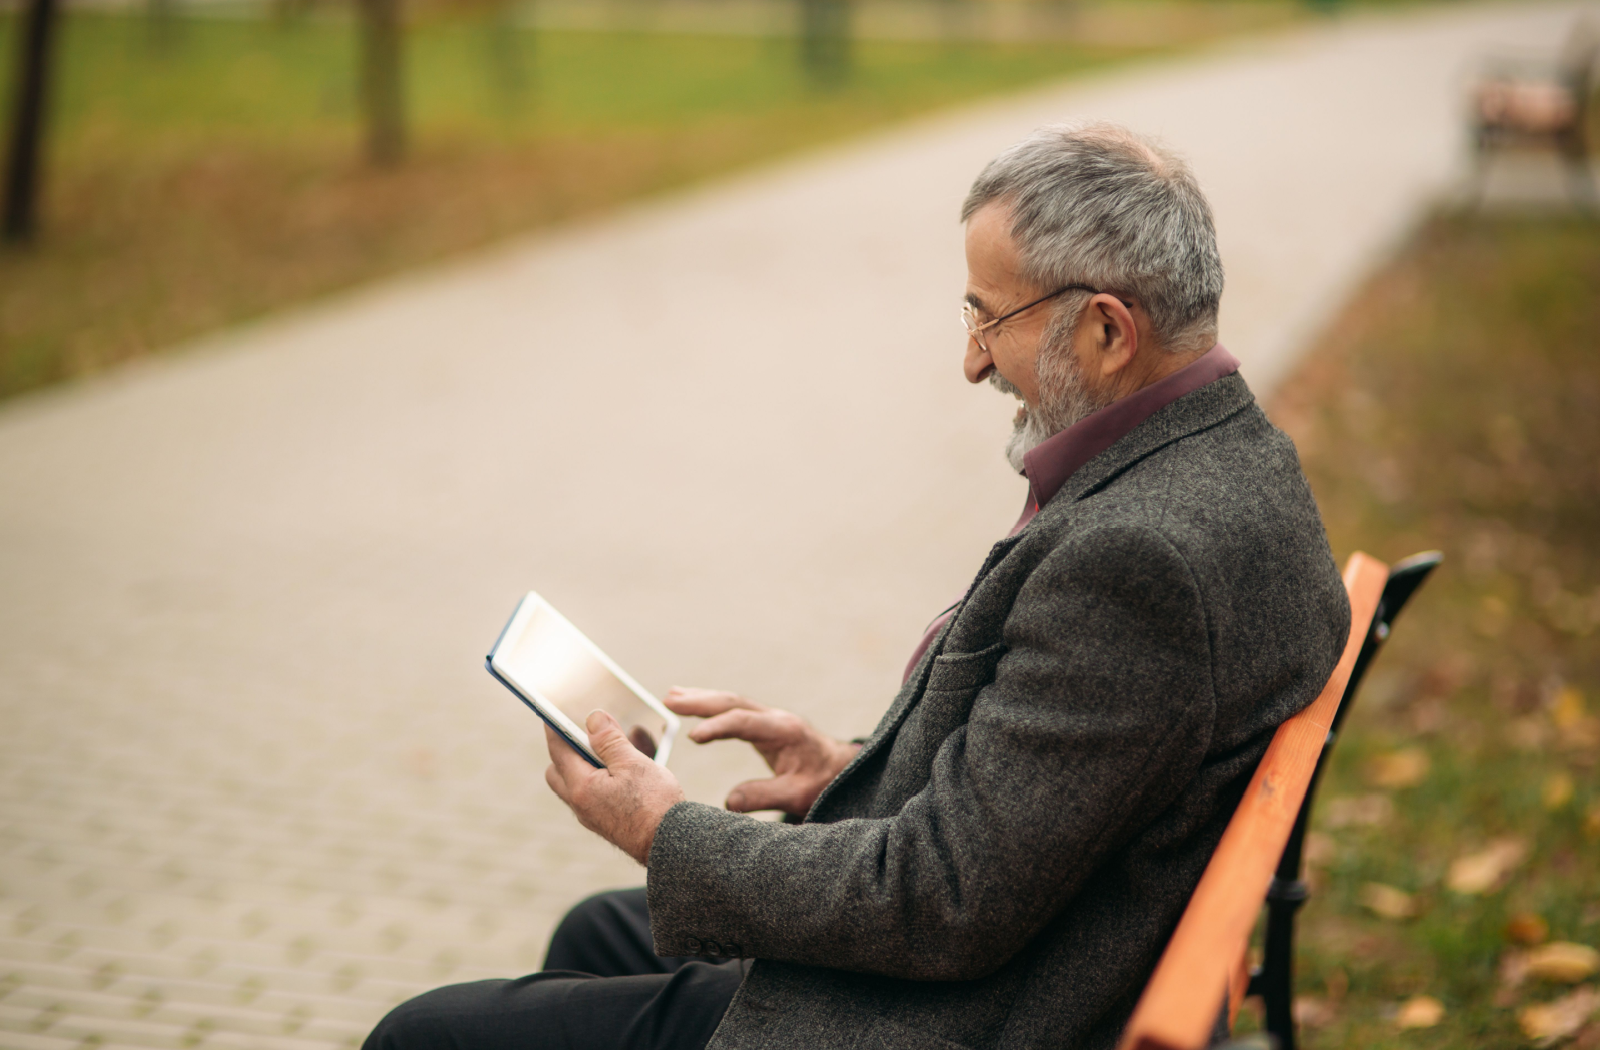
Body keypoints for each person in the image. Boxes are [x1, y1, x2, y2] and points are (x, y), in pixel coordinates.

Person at [365, 121, 1350, 1050]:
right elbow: (1057, 791)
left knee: (426, 1035)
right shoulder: (1235, 457)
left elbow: (942, 901)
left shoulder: (1140, 565)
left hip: (967, 1015)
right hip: (1041, 957)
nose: (971, 363)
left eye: (988, 318)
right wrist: (842, 770)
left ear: (1105, 331)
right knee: (598, 935)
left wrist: (668, 834)